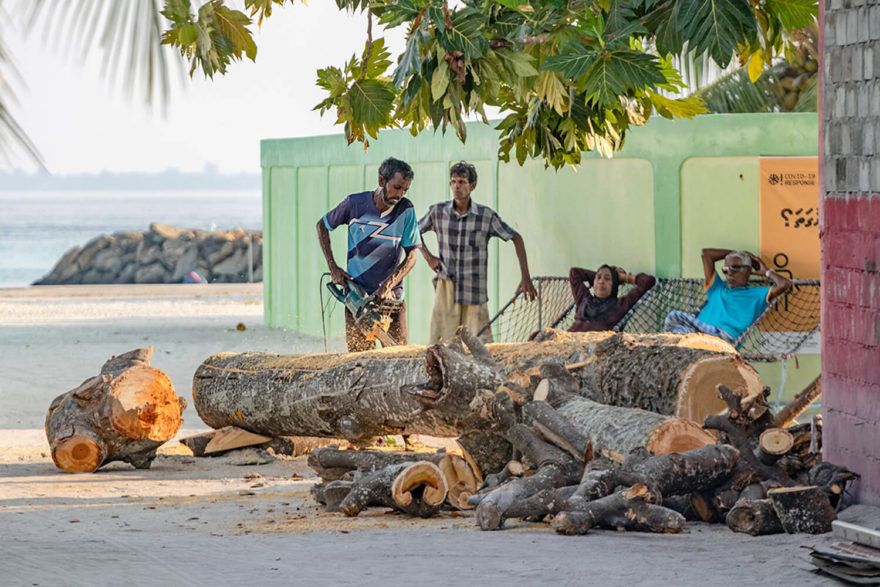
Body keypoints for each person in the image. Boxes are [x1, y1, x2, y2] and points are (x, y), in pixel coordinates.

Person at [418, 161, 538, 344]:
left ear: (472, 186)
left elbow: (516, 238)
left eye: (462, 182)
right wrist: (429, 257)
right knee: (440, 344)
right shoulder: (438, 212)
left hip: (474, 290)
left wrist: (525, 277)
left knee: (480, 346)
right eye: (454, 181)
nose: (457, 186)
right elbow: (413, 232)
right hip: (446, 288)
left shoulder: (486, 216)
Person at [317, 157, 420, 352]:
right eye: (397, 187)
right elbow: (322, 225)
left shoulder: (406, 210)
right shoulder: (354, 204)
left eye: (405, 189)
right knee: (360, 360)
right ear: (382, 181)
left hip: (391, 299)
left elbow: (412, 255)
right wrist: (334, 267)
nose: (400, 194)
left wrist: (389, 284)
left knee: (399, 356)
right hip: (357, 296)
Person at [664, 248, 792, 343]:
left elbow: (784, 284)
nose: (729, 273)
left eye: (735, 268)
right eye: (725, 270)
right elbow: (706, 254)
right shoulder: (717, 287)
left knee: (674, 316)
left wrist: (766, 272)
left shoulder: (757, 294)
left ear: (748, 270)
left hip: (724, 337)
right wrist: (736, 253)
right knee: (675, 329)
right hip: (698, 334)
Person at [568, 265, 656, 332]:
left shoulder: (621, 305)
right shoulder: (583, 299)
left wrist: (622, 277)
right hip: (569, 344)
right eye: (598, 278)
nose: (601, 281)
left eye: (607, 279)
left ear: (614, 285)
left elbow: (648, 281)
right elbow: (574, 272)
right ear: (594, 282)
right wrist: (607, 273)